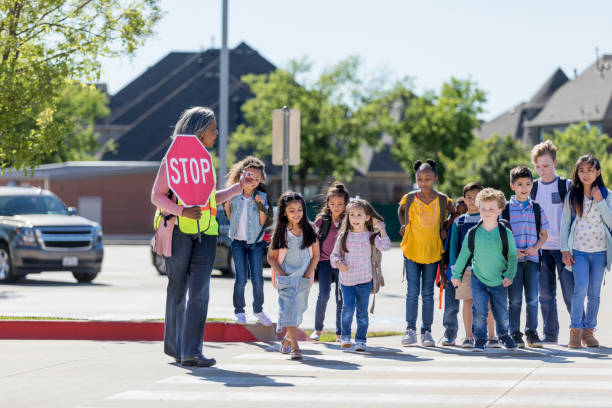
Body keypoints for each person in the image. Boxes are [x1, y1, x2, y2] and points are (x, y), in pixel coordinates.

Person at [151, 106, 257, 367]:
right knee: (177, 290)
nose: (216, 132)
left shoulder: (204, 162)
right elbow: (156, 196)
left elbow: (210, 200)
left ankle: (192, 352)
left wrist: (237, 189)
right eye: (212, 128)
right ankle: (177, 349)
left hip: (207, 234)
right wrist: (182, 211)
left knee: (200, 292)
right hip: (179, 233)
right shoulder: (172, 161)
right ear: (198, 130)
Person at [451, 188, 518, 352]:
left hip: (499, 280)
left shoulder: (505, 232)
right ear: (478, 208)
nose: (487, 212)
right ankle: (480, 339)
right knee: (480, 311)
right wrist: (456, 274)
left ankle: (503, 335)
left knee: (501, 312)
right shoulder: (472, 233)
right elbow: (464, 255)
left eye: (491, 209)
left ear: (499, 210)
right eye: (483, 208)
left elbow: (512, 256)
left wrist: (509, 275)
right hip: (478, 279)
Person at [398, 159, 455, 347]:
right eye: (420, 179)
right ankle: (410, 330)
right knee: (412, 292)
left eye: (428, 179)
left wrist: (445, 228)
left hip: (432, 251)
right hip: (412, 249)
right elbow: (401, 210)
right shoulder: (410, 198)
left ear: (435, 179)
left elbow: (454, 213)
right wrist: (404, 226)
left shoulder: (442, 199)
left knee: (428, 293)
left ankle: (427, 331)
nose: (424, 182)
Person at [561, 154, 612, 348]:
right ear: (577, 172)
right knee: (579, 290)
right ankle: (575, 331)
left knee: (594, 293)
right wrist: (565, 250)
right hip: (578, 251)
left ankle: (589, 332)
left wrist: (600, 201)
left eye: (590, 170)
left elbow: (611, 221)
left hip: (600, 252)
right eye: (581, 170)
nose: (586, 174)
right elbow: (565, 223)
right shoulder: (572, 194)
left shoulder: (607, 195)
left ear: (598, 172)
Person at [443, 182, 499, 348]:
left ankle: (492, 336)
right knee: (467, 302)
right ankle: (468, 336)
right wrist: (455, 271)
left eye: (476, 198)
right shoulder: (459, 222)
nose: (472, 201)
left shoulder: (490, 220)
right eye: (469, 198)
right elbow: (453, 248)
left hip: (487, 270)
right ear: (464, 200)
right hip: (466, 271)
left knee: (487, 303)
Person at [330, 198, 391, 351]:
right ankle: (345, 337)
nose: (355, 218)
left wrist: (382, 229)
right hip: (347, 281)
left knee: (362, 313)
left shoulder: (371, 236)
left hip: (365, 280)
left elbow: (386, 246)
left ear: (367, 217)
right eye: (352, 215)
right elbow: (334, 256)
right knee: (348, 309)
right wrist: (338, 263)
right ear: (348, 216)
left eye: (359, 215)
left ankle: (361, 340)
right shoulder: (344, 235)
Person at [267, 191, 320, 360]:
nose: (297, 214)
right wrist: (281, 274)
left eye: (299, 210)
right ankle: (296, 348)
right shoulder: (281, 232)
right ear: (284, 212)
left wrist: (307, 274)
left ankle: (287, 339)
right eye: (292, 210)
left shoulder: (310, 229)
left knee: (299, 313)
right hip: (285, 280)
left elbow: (316, 255)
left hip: (304, 278)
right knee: (289, 310)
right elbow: (270, 257)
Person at [531, 140, 573, 344]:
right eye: (538, 166)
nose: (542, 170)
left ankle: (579, 331)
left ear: (555, 163)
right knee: (545, 296)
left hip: (564, 249)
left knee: (570, 293)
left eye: (546, 166)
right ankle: (550, 335)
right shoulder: (534, 188)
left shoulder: (566, 185)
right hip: (541, 250)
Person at [224, 156, 273, 326]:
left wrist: (260, 205)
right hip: (237, 242)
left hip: (255, 243)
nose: (252, 179)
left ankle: (258, 309)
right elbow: (230, 217)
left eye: (257, 178)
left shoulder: (262, 196)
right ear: (243, 174)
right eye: (250, 175)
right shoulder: (234, 194)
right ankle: (239, 311)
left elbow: (264, 222)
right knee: (241, 278)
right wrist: (228, 205)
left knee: (258, 278)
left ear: (260, 181)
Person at [504, 166, 549, 348]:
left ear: (532, 185)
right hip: (513, 262)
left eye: (528, 184)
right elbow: (502, 236)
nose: (524, 188)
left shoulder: (536, 208)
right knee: (514, 299)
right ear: (512, 185)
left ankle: (532, 332)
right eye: (520, 184)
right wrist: (513, 250)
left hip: (532, 260)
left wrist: (535, 248)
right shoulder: (505, 209)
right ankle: (514, 333)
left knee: (532, 298)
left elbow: (544, 235)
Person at [311, 182, 350, 342]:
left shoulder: (348, 219)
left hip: (341, 263)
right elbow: (312, 240)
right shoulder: (322, 220)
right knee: (324, 295)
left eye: (340, 204)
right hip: (325, 261)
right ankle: (318, 330)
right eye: (333, 204)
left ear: (345, 204)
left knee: (340, 298)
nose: (336, 207)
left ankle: (340, 333)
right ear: (327, 203)